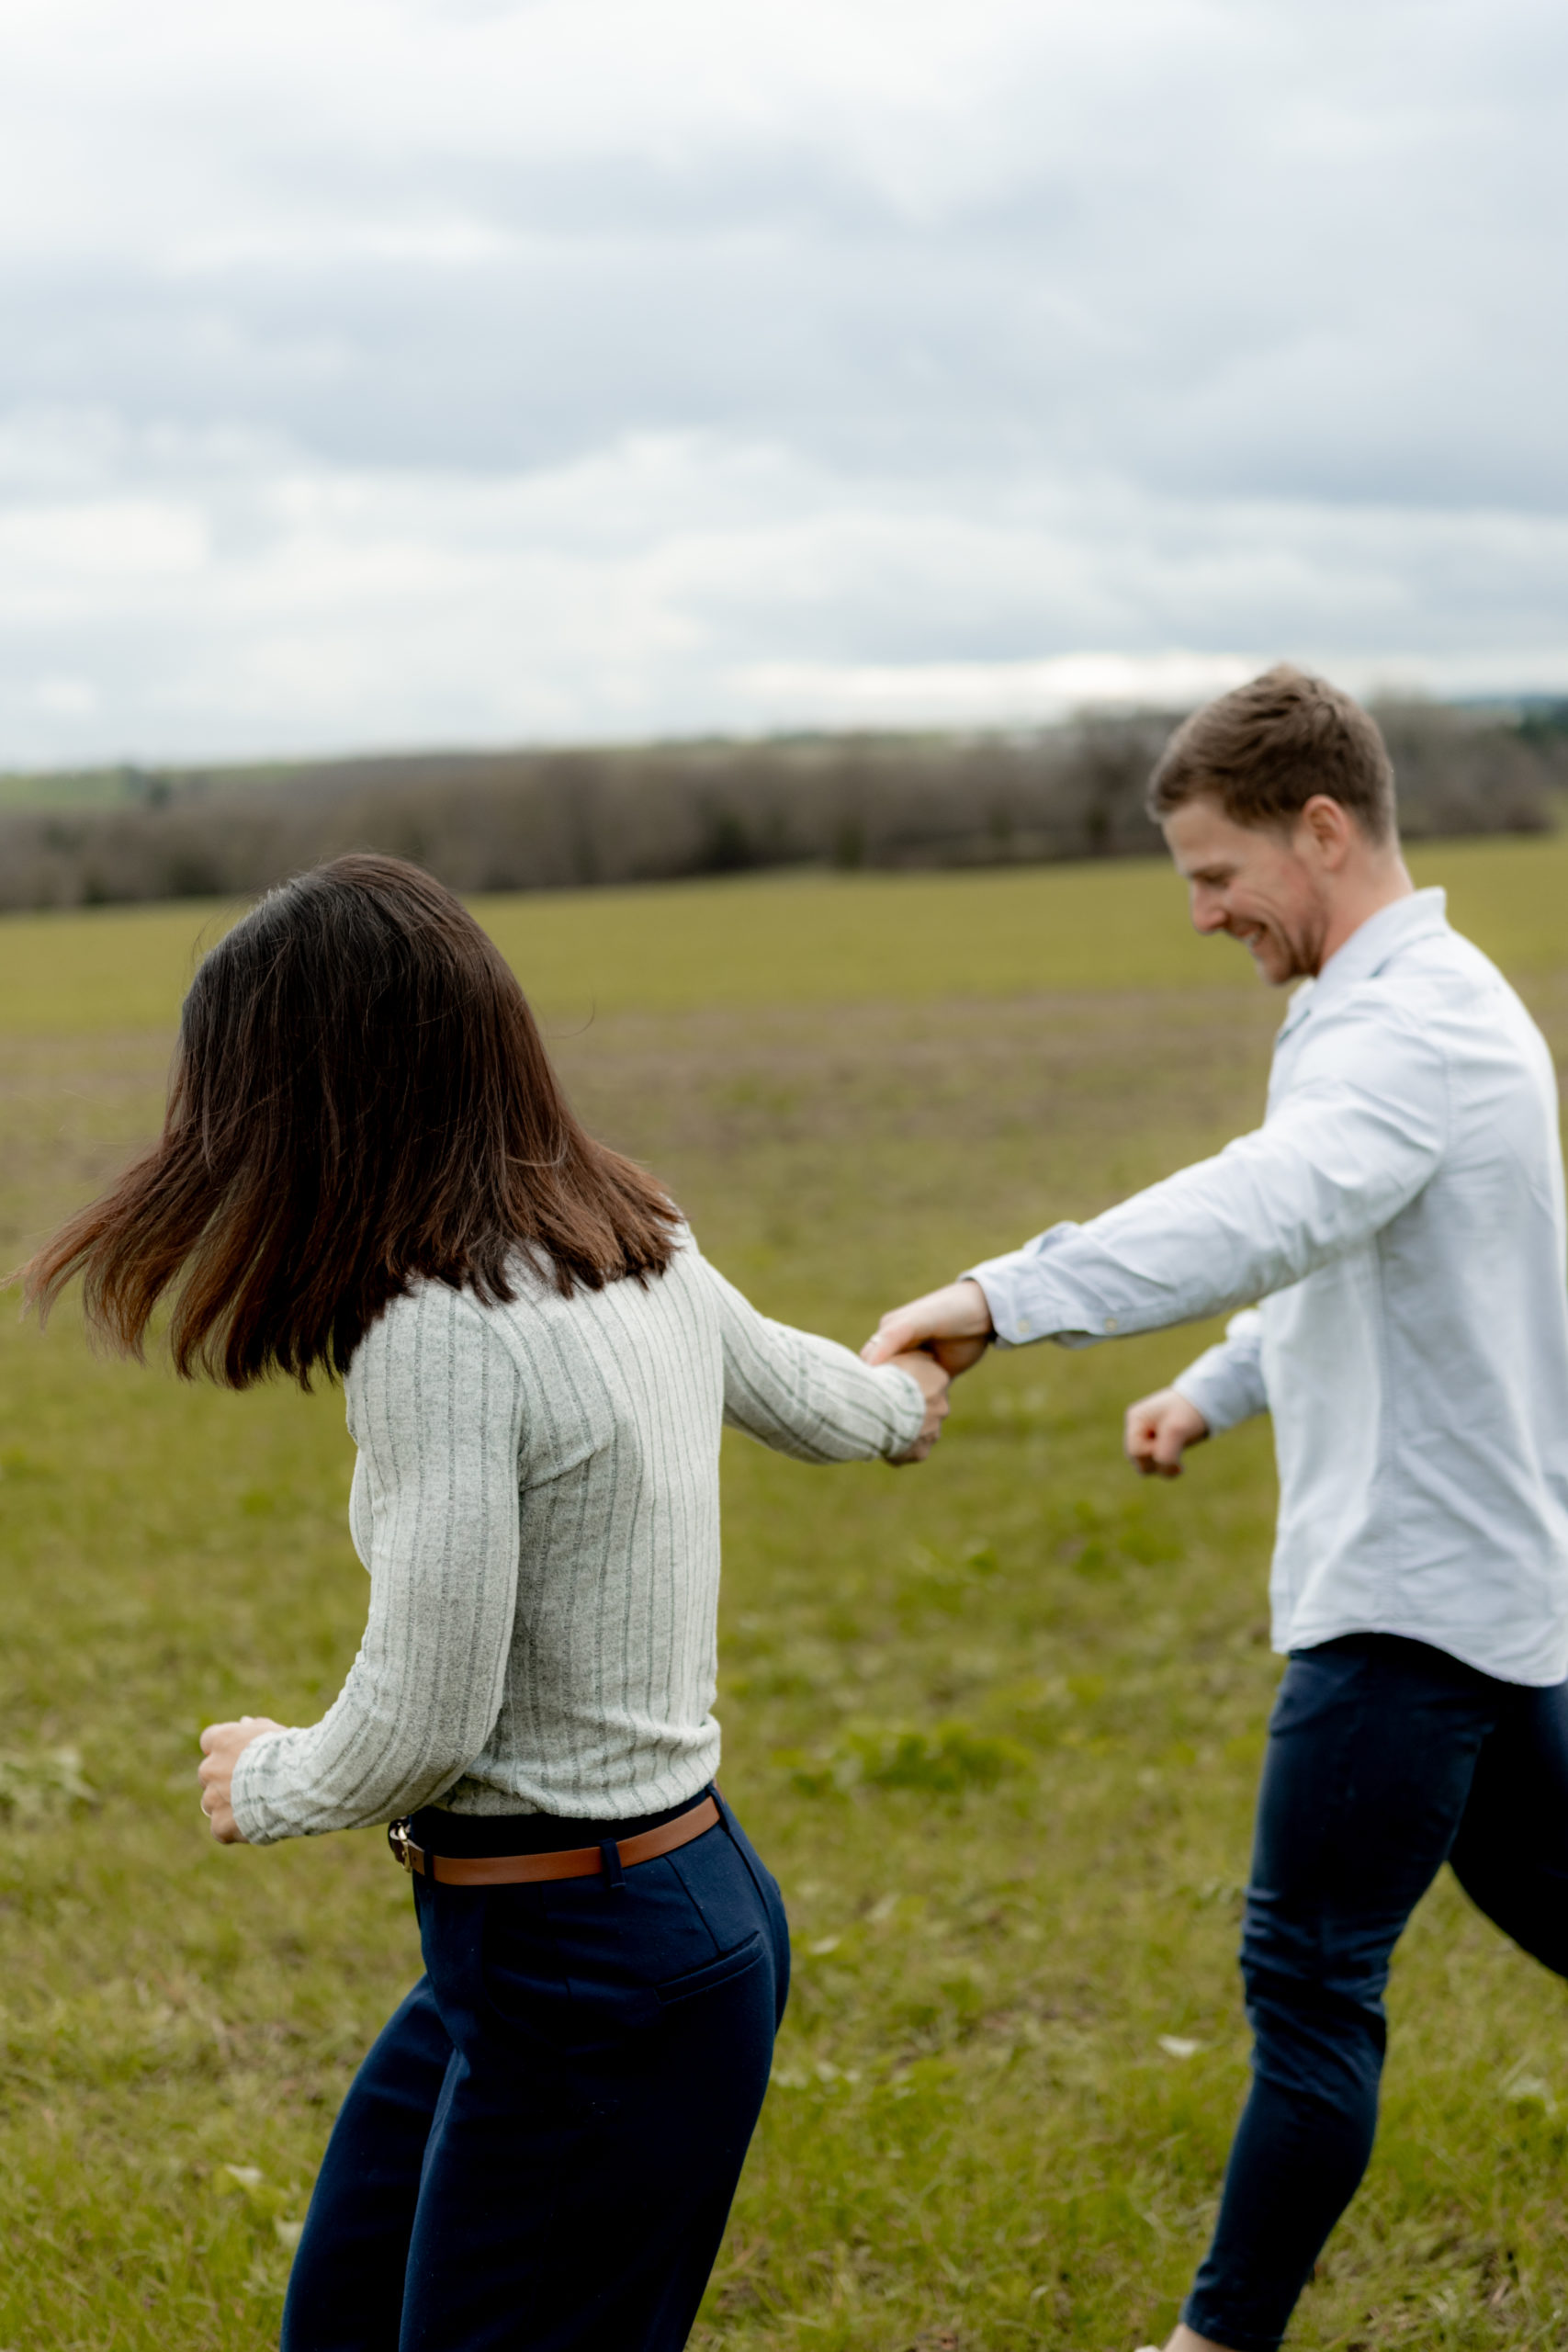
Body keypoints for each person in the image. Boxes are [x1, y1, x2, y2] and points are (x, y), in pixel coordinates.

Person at [25, 853, 950, 2352]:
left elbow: (427, 1716)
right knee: (341, 2315)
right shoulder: (629, 1231)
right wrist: (907, 1398)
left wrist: (267, 1777)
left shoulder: (442, 1333)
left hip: (593, 1964)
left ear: (319, 1102)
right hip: (603, 1937)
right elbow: (813, 1395)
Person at [862, 666, 1568, 2352]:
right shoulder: (1411, 1008)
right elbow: (1360, 1246)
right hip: (1489, 1590)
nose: (1201, 915)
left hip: (1405, 1608)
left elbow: (1271, 1203)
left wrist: (1000, 1296)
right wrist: (1223, 1384)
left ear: (1322, 830)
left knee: (1309, 1988)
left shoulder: (1408, 1031)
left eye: (1215, 874)